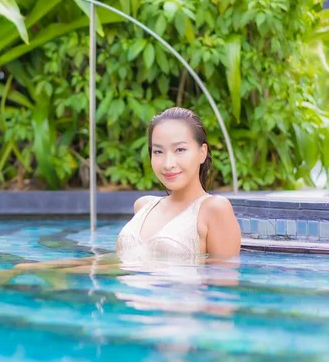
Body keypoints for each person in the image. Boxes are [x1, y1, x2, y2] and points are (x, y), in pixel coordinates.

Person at [15, 107, 242, 273]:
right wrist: (37, 268)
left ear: (202, 153)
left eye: (180, 150)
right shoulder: (144, 206)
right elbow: (121, 262)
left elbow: (223, 291)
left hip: (177, 325)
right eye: (158, 151)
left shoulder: (214, 209)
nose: (168, 163)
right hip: (131, 317)